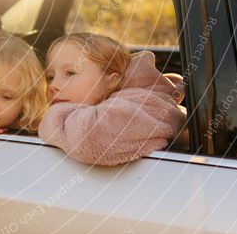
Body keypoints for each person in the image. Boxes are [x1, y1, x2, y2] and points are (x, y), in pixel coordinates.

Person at [40, 32, 186, 165]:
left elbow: (90, 138)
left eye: (70, 73)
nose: (53, 85)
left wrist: (45, 119)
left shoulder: (142, 102)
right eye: (50, 77)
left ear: (111, 80)